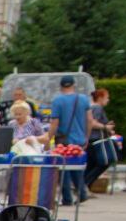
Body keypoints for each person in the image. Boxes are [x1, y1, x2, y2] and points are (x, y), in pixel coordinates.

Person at [46, 75, 93, 206]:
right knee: (78, 166)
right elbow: (89, 120)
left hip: (63, 139)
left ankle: (67, 198)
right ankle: (82, 192)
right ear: (74, 85)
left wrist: (47, 139)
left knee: (63, 169)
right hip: (80, 139)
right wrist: (86, 137)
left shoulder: (57, 101)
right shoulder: (83, 99)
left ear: (61, 86)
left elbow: (55, 122)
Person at [85, 88, 117, 189]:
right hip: (96, 140)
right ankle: (85, 184)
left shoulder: (91, 107)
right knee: (103, 162)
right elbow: (92, 122)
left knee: (91, 164)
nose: (108, 100)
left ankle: (84, 185)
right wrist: (105, 127)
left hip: (91, 140)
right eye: (107, 98)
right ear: (100, 98)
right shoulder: (97, 108)